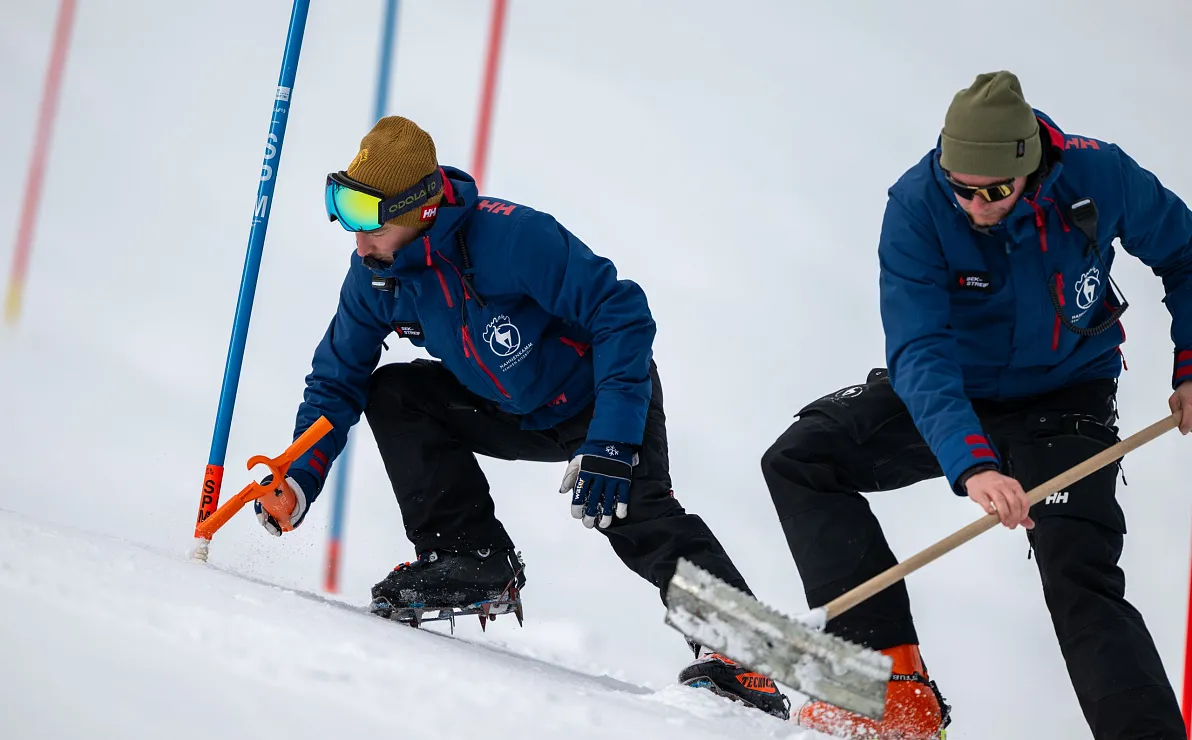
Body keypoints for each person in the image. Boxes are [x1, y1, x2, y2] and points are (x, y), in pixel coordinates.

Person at [251, 115, 791, 719]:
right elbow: (337, 378)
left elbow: (622, 313)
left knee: (634, 515)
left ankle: (747, 655)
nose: (359, 243)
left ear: (420, 210)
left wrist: (613, 440)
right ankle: (470, 556)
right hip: (506, 406)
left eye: (369, 222)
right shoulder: (379, 275)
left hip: (599, 397)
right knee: (394, 393)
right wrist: (298, 476)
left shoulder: (511, 239)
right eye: (346, 215)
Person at [761, 71, 1192, 739]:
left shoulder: (1098, 174)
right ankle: (889, 690)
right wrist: (973, 463)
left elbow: (1185, 252)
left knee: (1078, 574)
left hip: (1066, 397)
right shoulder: (916, 205)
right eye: (960, 187)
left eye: (992, 191)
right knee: (802, 458)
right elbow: (919, 349)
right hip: (956, 390)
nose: (974, 204)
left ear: (1031, 167)